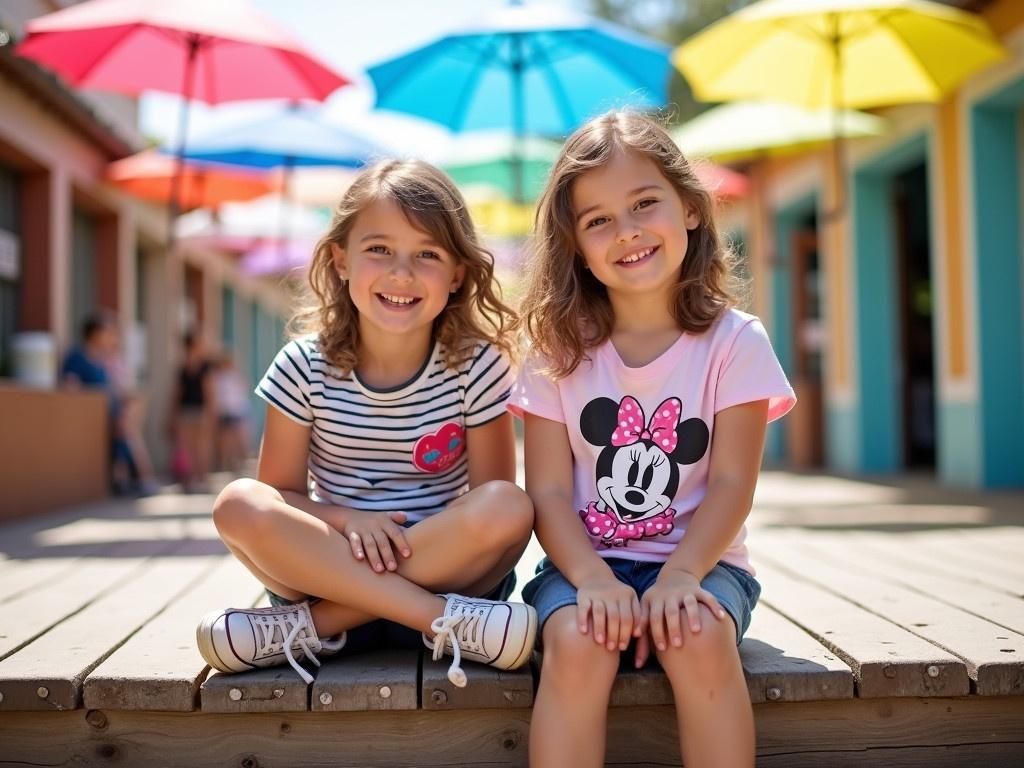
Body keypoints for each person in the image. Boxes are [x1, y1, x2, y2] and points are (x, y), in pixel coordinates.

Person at [509, 112, 796, 768]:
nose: (628, 231)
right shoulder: (556, 352)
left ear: (690, 209)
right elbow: (548, 492)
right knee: (579, 642)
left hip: (706, 561)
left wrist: (684, 573)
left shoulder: (735, 342)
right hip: (585, 564)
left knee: (695, 634)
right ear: (574, 244)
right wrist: (589, 577)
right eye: (598, 220)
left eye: (644, 203)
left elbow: (731, 485)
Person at [195, 160, 537, 687]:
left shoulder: (477, 364)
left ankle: (310, 629)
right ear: (340, 260)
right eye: (379, 249)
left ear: (457, 275)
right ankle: (427, 618)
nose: (401, 272)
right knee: (238, 503)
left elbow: (492, 498)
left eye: (427, 254)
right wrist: (346, 521)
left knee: (509, 505)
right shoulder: (301, 366)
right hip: (370, 589)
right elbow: (280, 495)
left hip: (448, 582)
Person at [61, 311, 156, 495]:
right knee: (125, 428)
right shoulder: (77, 357)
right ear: (95, 333)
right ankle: (131, 478)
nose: (110, 337)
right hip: (97, 414)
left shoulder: (103, 360)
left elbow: (115, 388)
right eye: (107, 332)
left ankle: (129, 478)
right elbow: (70, 385)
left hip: (113, 412)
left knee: (126, 426)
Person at [168, 331, 214, 492]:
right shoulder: (183, 368)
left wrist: (211, 413)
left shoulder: (205, 367)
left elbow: (209, 393)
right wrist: (172, 415)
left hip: (200, 410)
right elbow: (177, 394)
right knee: (186, 447)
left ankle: (201, 478)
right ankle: (189, 479)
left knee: (200, 446)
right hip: (186, 410)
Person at [211, 351, 252, 473]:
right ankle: (226, 464)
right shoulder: (219, 377)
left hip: (236, 411)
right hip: (226, 412)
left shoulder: (234, 376)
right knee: (226, 441)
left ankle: (238, 463)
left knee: (238, 439)